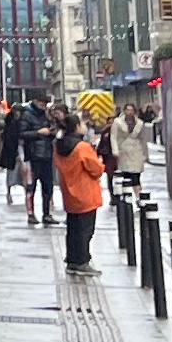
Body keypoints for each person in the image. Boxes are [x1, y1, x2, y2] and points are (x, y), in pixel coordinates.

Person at [53, 108, 108, 273]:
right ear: (76, 127)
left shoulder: (59, 146)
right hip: (85, 192)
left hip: (69, 193)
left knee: (73, 229)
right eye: (82, 123)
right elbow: (96, 169)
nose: (84, 126)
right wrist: (99, 163)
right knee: (85, 230)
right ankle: (82, 261)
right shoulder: (82, 147)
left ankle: (72, 260)